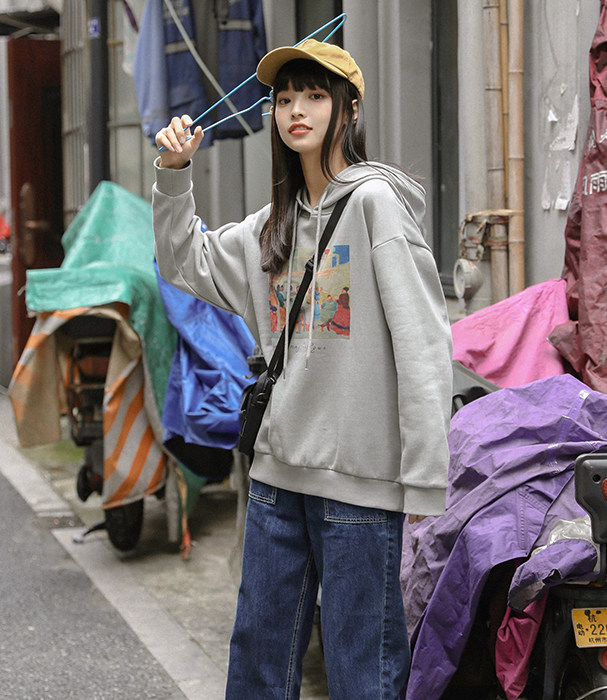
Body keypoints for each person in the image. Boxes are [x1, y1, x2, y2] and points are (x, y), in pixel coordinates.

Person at [152, 38, 452, 699]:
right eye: (285, 98)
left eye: (315, 96)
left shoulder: (375, 205)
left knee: (360, 672)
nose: (296, 110)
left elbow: (423, 341)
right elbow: (183, 263)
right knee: (257, 663)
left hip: (360, 484)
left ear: (349, 108)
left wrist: (426, 478)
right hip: (276, 477)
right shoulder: (272, 225)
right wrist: (174, 173)